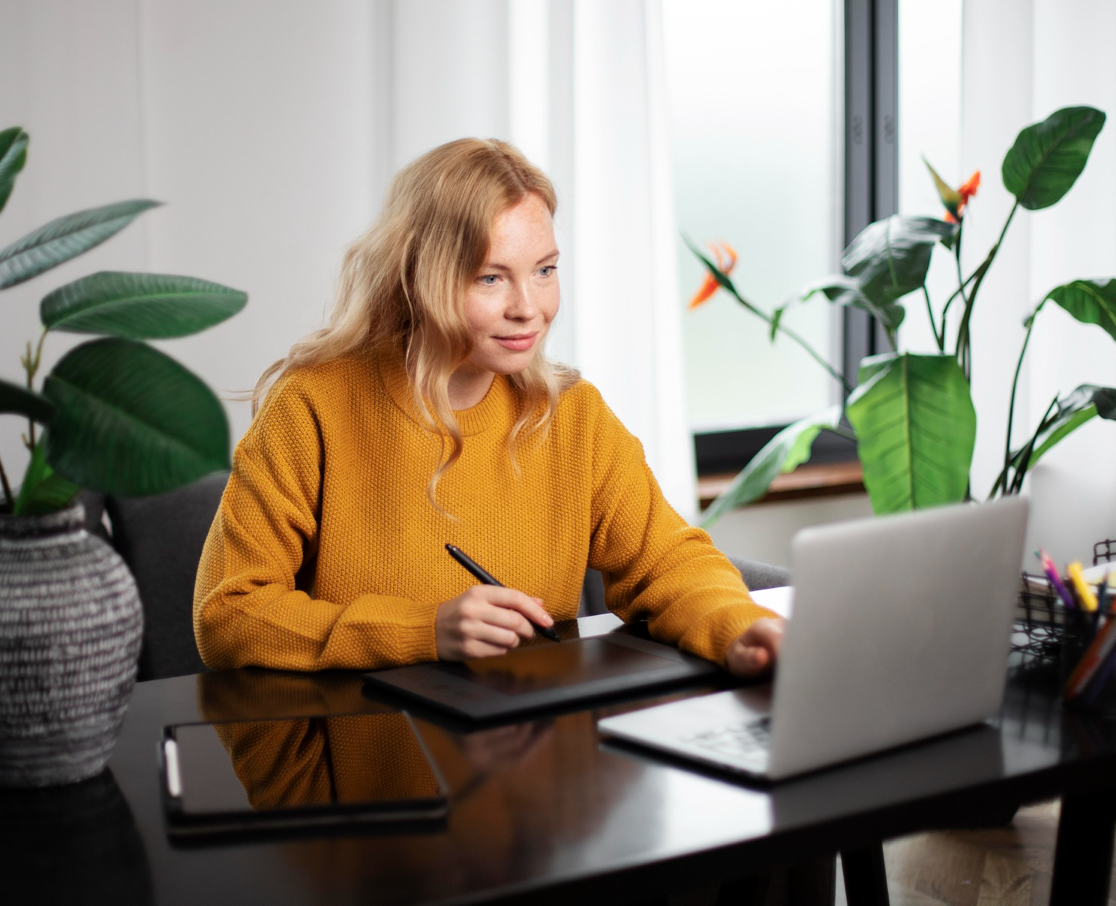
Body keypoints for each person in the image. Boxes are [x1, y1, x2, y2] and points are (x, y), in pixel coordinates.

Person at [193, 138, 784, 677]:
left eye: (545, 271)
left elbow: (669, 562)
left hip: (529, 755)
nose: (529, 308)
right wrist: (426, 630)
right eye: (490, 278)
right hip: (364, 753)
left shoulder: (572, 414)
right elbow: (229, 614)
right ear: (419, 276)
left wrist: (742, 629)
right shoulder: (313, 405)